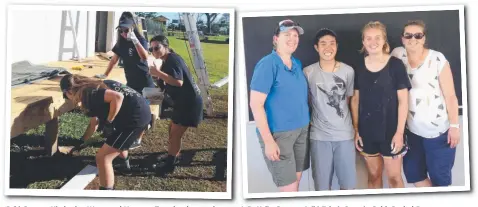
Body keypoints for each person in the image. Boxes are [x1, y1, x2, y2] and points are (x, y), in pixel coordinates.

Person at [391, 20, 460, 187]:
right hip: (412, 132)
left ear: (424, 38)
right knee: (414, 175)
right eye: (408, 35)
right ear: (402, 38)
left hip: (438, 133)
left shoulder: (437, 59)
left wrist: (455, 126)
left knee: (440, 180)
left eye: (418, 35)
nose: (412, 38)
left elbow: (450, 95)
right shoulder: (397, 55)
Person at [60, 74, 151, 190]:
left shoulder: (90, 93)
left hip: (134, 119)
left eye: (67, 96)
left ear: (69, 91)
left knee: (103, 158)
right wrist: (82, 142)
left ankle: (106, 193)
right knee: (117, 142)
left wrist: (109, 122)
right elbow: (94, 123)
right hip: (137, 111)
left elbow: (118, 97)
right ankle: (124, 167)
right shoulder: (96, 85)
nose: (71, 100)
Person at [249, 19, 310, 192]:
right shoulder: (268, 64)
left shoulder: (296, 64)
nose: (292, 38)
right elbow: (255, 104)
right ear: (276, 39)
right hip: (279, 136)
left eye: (295, 35)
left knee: (296, 184)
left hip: (301, 131)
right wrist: (268, 141)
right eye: (286, 35)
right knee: (288, 191)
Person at [351, 21, 411, 188]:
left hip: (392, 133)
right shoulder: (359, 67)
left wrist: (399, 133)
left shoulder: (395, 65)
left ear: (384, 40)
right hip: (367, 133)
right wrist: (356, 130)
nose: (373, 42)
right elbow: (355, 100)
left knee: (394, 178)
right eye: (368, 38)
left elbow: (403, 101)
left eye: (377, 37)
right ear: (363, 42)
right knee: (374, 176)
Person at [303, 28, 356, 191]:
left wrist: (356, 129)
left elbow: (348, 100)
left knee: (348, 186)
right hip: (319, 137)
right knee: (321, 187)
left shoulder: (348, 71)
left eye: (332, 43)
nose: (328, 47)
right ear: (316, 47)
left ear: (337, 46)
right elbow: (308, 101)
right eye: (323, 43)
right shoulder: (308, 72)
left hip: (345, 136)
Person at [147, 35, 204, 175]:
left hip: (189, 103)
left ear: (165, 47)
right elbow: (166, 83)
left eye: (157, 47)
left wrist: (157, 72)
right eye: (151, 49)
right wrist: (157, 79)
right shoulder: (167, 60)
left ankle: (169, 166)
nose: (154, 51)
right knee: (172, 130)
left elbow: (178, 82)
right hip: (182, 102)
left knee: (174, 135)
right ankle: (173, 157)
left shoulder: (172, 59)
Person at [97, 12, 154, 149]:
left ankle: (138, 139)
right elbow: (114, 60)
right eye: (121, 30)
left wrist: (134, 39)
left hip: (145, 82)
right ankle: (125, 133)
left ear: (133, 28)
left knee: (146, 111)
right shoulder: (120, 43)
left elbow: (144, 57)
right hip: (131, 82)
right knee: (132, 109)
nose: (123, 33)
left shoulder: (141, 40)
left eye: (126, 30)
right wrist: (105, 75)